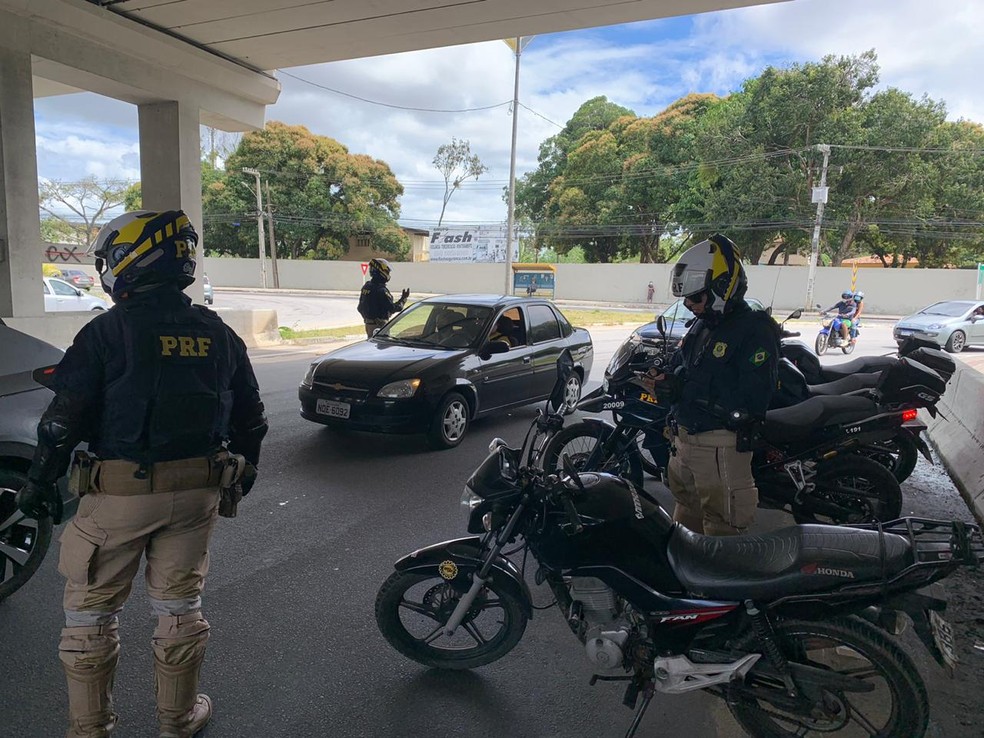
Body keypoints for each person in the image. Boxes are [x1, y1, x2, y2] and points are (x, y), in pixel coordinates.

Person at [16, 210, 268, 738]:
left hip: (120, 498)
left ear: (131, 259)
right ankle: (177, 721)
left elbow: (63, 420)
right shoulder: (217, 333)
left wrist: (39, 482)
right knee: (179, 608)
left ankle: (92, 729)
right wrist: (244, 473)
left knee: (89, 615)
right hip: (199, 494)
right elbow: (252, 418)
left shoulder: (108, 331)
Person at [644, 234, 779, 536]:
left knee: (722, 534)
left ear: (722, 287)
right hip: (684, 445)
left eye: (696, 297)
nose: (689, 304)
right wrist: (666, 379)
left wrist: (687, 391)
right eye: (687, 298)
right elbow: (683, 365)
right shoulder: (703, 326)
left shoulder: (755, 330)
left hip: (720, 448)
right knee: (684, 527)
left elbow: (755, 397)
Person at [358, 258, 409, 337]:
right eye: (387, 271)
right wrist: (403, 299)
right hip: (379, 326)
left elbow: (360, 308)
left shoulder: (366, 286)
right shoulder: (381, 290)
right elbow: (392, 308)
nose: (388, 274)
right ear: (380, 271)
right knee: (382, 347)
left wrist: (368, 319)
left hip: (368, 325)